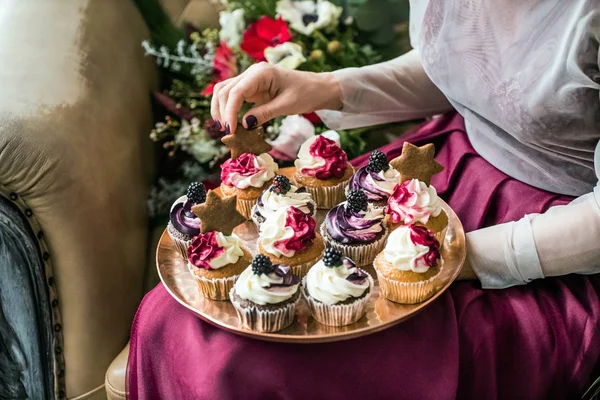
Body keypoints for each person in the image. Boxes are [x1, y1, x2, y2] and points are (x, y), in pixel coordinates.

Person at [128, 1, 600, 399]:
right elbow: (468, 71)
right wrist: (325, 87)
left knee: (245, 360)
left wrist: (455, 257)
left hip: (550, 240)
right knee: (169, 321)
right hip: (433, 176)